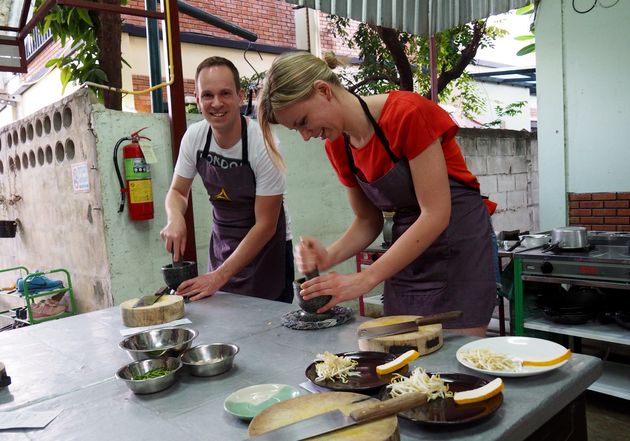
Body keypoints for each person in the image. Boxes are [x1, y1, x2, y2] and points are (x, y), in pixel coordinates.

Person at [257, 51, 496, 336]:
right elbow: (367, 220)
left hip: (459, 245)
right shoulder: (339, 146)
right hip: (407, 254)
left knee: (458, 360)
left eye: (303, 121)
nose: (306, 135)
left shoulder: (407, 113)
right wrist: (327, 256)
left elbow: (436, 214)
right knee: (405, 359)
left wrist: (366, 278)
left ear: (323, 91)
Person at [160, 56, 294, 303]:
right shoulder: (195, 138)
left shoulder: (264, 145)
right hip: (222, 249)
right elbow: (178, 192)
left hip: (267, 253)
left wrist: (218, 277)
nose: (217, 103)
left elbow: (266, 225)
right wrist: (175, 217)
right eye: (208, 95)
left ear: (240, 96)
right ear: (198, 100)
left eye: (225, 93)